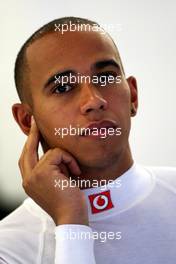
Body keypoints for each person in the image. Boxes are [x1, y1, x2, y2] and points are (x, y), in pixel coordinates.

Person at [0, 16, 176, 264]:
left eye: (105, 77)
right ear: (27, 120)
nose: (94, 100)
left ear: (133, 96)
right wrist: (71, 223)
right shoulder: (7, 249)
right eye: (63, 88)